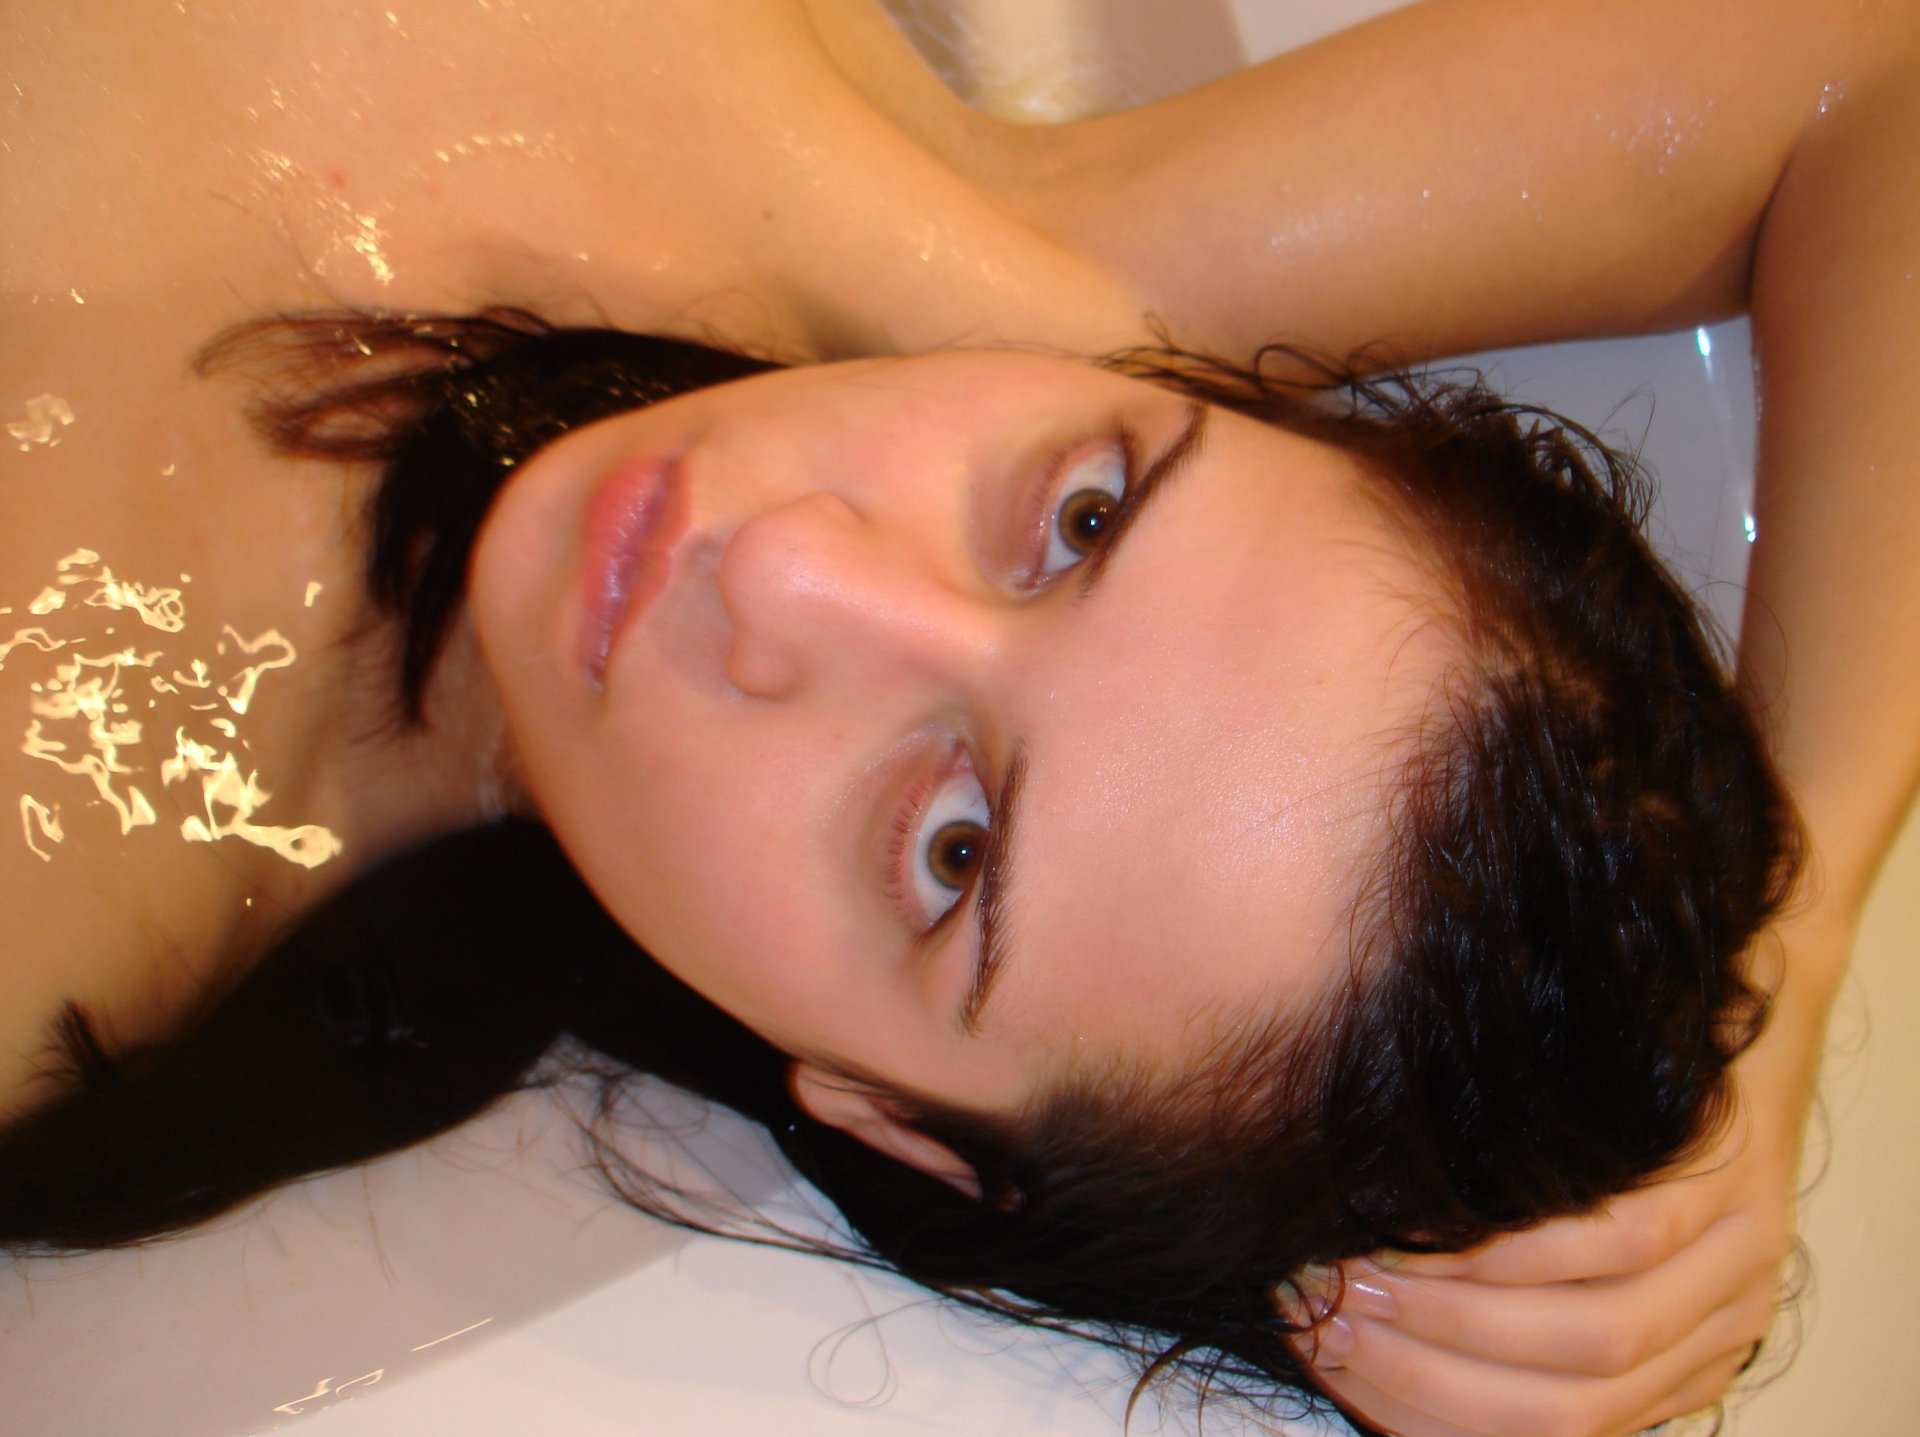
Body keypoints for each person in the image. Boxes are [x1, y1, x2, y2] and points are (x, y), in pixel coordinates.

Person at [1, 3, 1913, 1435]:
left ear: (883, 1115)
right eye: (1084, 517)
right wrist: (1795, 911)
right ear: (1206, 398)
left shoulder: (55, 874)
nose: (787, 570)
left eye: (951, 848)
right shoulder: (984, 266)